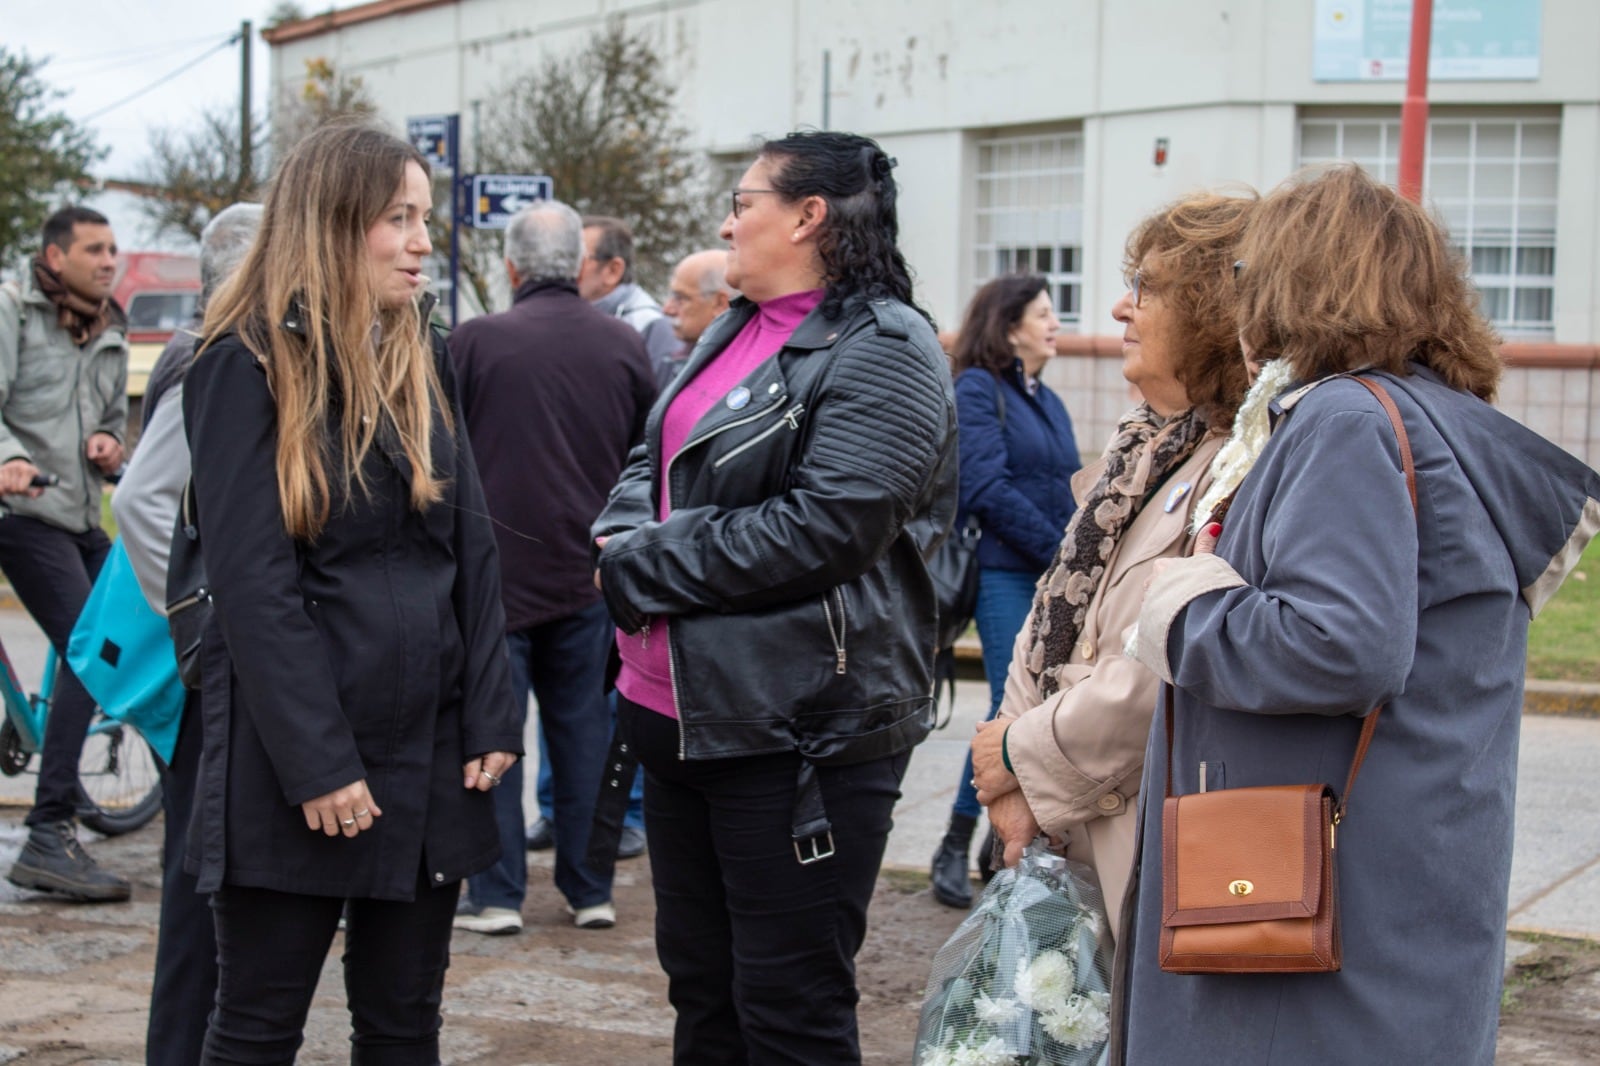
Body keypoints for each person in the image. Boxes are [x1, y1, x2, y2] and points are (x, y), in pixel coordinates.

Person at [1118, 164, 1600, 1064]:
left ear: (1295, 279)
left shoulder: (1345, 418)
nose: (1239, 296)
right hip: (1386, 888)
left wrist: (1181, 613)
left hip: (1309, 919)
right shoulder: (1432, 415)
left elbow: (1341, 645)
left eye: (1249, 272)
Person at [593, 129, 956, 1064]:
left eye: (744, 200)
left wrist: (644, 563)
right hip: (678, 714)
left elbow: (830, 526)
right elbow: (657, 458)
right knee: (702, 991)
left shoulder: (886, 344)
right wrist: (620, 533)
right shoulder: (737, 323)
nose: (727, 220)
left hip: (796, 731)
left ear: (808, 216)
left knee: (788, 1009)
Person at [182, 122, 522, 1062]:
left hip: (429, 753)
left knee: (406, 1024)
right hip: (300, 764)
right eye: (397, 218)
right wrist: (319, 762)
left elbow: (473, 549)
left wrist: (492, 711)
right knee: (256, 1027)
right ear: (334, 224)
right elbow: (252, 589)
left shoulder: (423, 353)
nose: (423, 240)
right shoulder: (240, 364)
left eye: (425, 217)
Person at [968, 192, 1256, 939]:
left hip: (1140, 844)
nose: (1120, 311)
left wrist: (1017, 760)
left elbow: (1152, 672)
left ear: (1215, 313)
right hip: (1077, 831)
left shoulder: (1246, 465)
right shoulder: (1143, 452)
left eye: (1147, 290)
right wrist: (1009, 750)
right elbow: (1049, 620)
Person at [448, 199, 655, 934]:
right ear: (575, 265)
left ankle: (497, 895)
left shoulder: (472, 342)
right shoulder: (622, 346)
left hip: (493, 584)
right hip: (588, 579)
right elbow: (645, 460)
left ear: (510, 267)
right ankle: (589, 888)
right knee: (585, 740)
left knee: (490, 739)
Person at [111, 201, 262, 1066]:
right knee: (198, 889)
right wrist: (207, 616)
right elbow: (144, 503)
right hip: (215, 673)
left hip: (218, 665)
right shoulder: (211, 352)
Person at [928, 273, 1081, 908]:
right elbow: (985, 488)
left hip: (1050, 574)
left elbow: (1068, 482)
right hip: (1003, 574)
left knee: (1028, 713)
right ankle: (958, 843)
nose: (1055, 324)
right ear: (1009, 323)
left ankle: (998, 849)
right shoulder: (979, 387)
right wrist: (1058, 553)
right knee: (1006, 712)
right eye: (1044, 313)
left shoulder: (1044, 396)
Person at [0, 206, 130, 903]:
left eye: (113, 248)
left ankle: (42, 751)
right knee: (88, 647)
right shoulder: (12, 313)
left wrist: (110, 444)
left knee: (128, 633)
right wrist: (9, 458)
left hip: (80, 513)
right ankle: (48, 832)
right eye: (94, 249)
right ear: (55, 258)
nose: (109, 259)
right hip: (23, 513)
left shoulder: (109, 325)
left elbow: (109, 417)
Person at [579, 215, 678, 380]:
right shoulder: (563, 317)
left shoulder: (651, 326)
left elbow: (660, 401)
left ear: (613, 270)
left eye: (578, 259)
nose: (566, 268)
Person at [658, 249, 734, 389]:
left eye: (680, 298)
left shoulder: (736, 374)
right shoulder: (676, 359)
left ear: (720, 303)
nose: (667, 309)